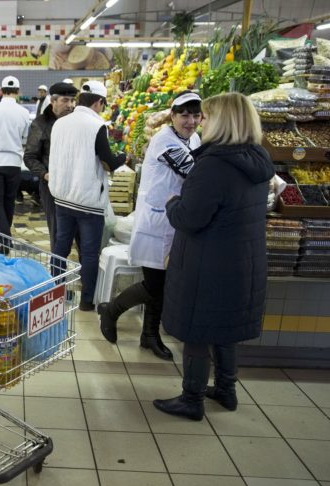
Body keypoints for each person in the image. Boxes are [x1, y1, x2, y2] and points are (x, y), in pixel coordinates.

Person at [154, 92, 273, 420]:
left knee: (198, 328)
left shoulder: (214, 166)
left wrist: (172, 203)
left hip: (208, 263)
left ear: (221, 121)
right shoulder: (258, 159)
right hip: (242, 260)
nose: (199, 122)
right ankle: (225, 390)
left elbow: (190, 218)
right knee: (225, 329)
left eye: (205, 116)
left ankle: (191, 399)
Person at [97, 91, 203, 361]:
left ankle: (149, 335)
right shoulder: (164, 141)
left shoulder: (194, 138)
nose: (190, 121)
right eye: (184, 115)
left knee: (163, 282)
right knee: (155, 284)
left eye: (195, 115)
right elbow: (193, 170)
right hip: (156, 222)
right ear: (173, 115)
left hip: (175, 220)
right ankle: (112, 310)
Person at [48, 80, 127, 311]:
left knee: (60, 248)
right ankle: (86, 301)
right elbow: (110, 163)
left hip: (62, 196)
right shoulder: (97, 125)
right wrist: (123, 157)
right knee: (89, 253)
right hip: (88, 201)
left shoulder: (60, 123)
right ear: (99, 102)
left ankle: (56, 294)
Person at [24, 81, 78, 248]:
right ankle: (58, 270)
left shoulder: (77, 121)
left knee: (81, 233)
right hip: (51, 186)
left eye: (72, 101)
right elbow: (30, 156)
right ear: (53, 101)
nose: (70, 105)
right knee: (58, 233)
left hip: (77, 184)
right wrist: (45, 175)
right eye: (65, 100)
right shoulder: (40, 123)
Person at [0, 75, 30, 252]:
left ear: (1, 91)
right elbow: (25, 136)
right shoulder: (24, 113)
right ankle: (4, 242)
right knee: (9, 201)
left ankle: (5, 239)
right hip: (14, 162)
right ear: (18, 91)